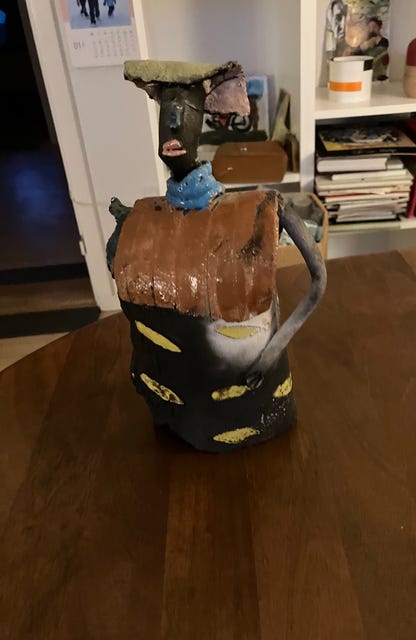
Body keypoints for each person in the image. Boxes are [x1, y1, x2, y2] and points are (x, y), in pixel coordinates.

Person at [107, 60, 326, 451]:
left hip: (254, 402)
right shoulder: (137, 222)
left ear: (202, 119)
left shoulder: (263, 209)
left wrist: (271, 354)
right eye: (167, 113)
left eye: (185, 113)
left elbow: (319, 280)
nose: (174, 124)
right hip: (171, 406)